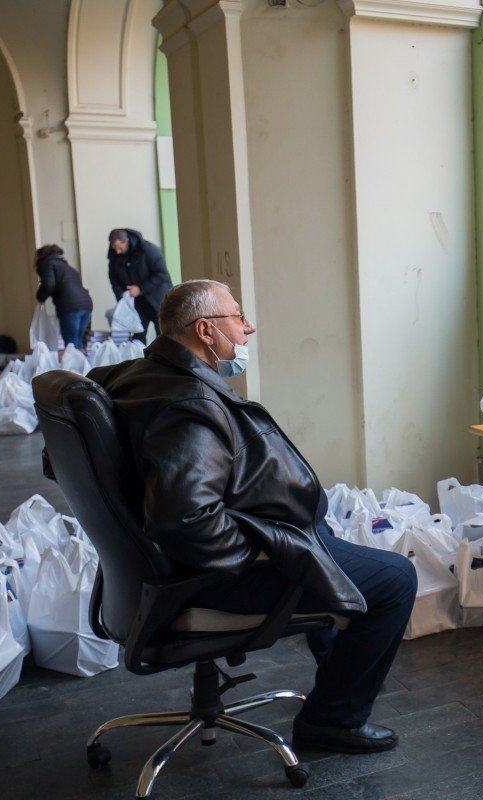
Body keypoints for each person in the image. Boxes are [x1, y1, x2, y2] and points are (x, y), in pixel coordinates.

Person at [89, 279, 417, 753]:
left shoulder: (136, 376)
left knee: (329, 544)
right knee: (396, 579)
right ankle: (332, 719)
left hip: (167, 567)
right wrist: (273, 551)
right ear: (205, 330)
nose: (249, 327)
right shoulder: (188, 404)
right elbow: (186, 521)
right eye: (237, 316)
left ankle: (335, 677)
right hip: (213, 575)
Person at [108, 228, 173, 342]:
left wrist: (140, 289)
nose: (117, 251)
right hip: (136, 303)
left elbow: (162, 275)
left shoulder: (149, 250)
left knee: (163, 335)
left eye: (120, 248)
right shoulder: (114, 255)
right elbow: (114, 279)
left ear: (126, 241)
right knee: (137, 337)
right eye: (114, 248)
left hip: (157, 300)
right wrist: (122, 296)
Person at [34, 244, 93, 349]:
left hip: (70, 307)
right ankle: (78, 359)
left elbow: (48, 284)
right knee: (78, 341)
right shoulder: (69, 268)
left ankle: (73, 360)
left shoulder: (48, 264)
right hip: (87, 305)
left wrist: (40, 297)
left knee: (71, 343)